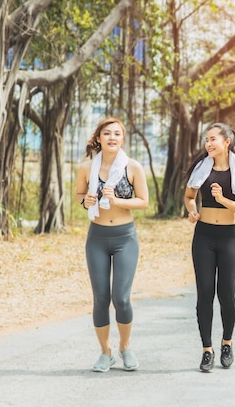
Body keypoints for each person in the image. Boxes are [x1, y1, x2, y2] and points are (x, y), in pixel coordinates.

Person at [75, 117, 149, 373]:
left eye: (117, 134)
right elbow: (79, 196)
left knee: (122, 298)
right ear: (99, 138)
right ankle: (105, 352)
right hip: (96, 237)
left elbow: (143, 201)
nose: (112, 138)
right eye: (107, 133)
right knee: (101, 298)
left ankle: (125, 347)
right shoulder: (86, 168)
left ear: (123, 139)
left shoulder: (132, 167)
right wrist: (86, 200)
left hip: (124, 237)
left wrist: (118, 201)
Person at [184, 122, 235, 372]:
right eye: (206, 140)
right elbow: (189, 197)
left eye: (213, 139)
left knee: (226, 294)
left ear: (227, 142)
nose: (208, 143)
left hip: (229, 237)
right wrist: (192, 211)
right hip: (203, 236)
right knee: (204, 293)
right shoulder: (201, 169)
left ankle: (227, 342)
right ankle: (206, 349)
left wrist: (223, 199)